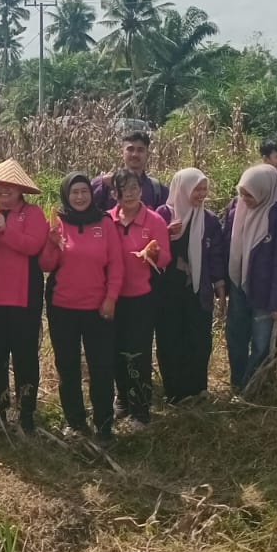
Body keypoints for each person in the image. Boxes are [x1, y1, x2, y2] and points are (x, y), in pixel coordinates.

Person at [41, 173, 124, 440]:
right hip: (62, 307)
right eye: (74, 192)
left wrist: (110, 298)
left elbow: (116, 265)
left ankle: (103, 423)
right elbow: (45, 266)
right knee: (67, 366)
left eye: (84, 191)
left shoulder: (105, 223)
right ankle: (75, 421)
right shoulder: (58, 222)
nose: (79, 197)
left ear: (91, 193)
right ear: (66, 195)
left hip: (97, 308)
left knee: (102, 366)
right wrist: (52, 245)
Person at [0, 158, 49, 429]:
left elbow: (33, 246)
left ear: (20, 189)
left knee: (25, 355)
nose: (4, 190)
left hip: (23, 296)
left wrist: (7, 229)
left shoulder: (34, 213)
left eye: (10, 186)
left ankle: (26, 412)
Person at [222, 163, 277, 393]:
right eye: (241, 192)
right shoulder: (235, 209)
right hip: (237, 286)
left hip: (264, 292)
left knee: (261, 342)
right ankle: (237, 383)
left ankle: (252, 385)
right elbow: (225, 246)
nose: (244, 198)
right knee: (236, 337)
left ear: (265, 191)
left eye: (250, 194)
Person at [154, 167, 224, 404]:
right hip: (167, 291)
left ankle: (197, 388)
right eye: (197, 189)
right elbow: (149, 246)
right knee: (170, 338)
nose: (201, 194)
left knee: (199, 338)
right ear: (182, 189)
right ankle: (174, 391)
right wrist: (165, 234)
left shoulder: (209, 219)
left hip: (197, 289)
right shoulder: (163, 214)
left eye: (204, 188)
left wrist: (219, 283)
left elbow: (215, 253)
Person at [107, 166, 170, 429]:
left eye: (135, 188)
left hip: (141, 297)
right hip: (112, 296)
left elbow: (165, 257)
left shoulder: (154, 220)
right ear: (114, 194)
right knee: (115, 350)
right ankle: (122, 397)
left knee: (139, 353)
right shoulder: (106, 219)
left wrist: (153, 253)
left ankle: (141, 409)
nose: (131, 194)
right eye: (125, 190)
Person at [91, 129, 168, 211]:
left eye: (140, 150)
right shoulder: (105, 184)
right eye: (130, 149)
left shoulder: (157, 190)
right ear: (122, 152)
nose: (135, 154)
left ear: (147, 154)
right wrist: (102, 182)